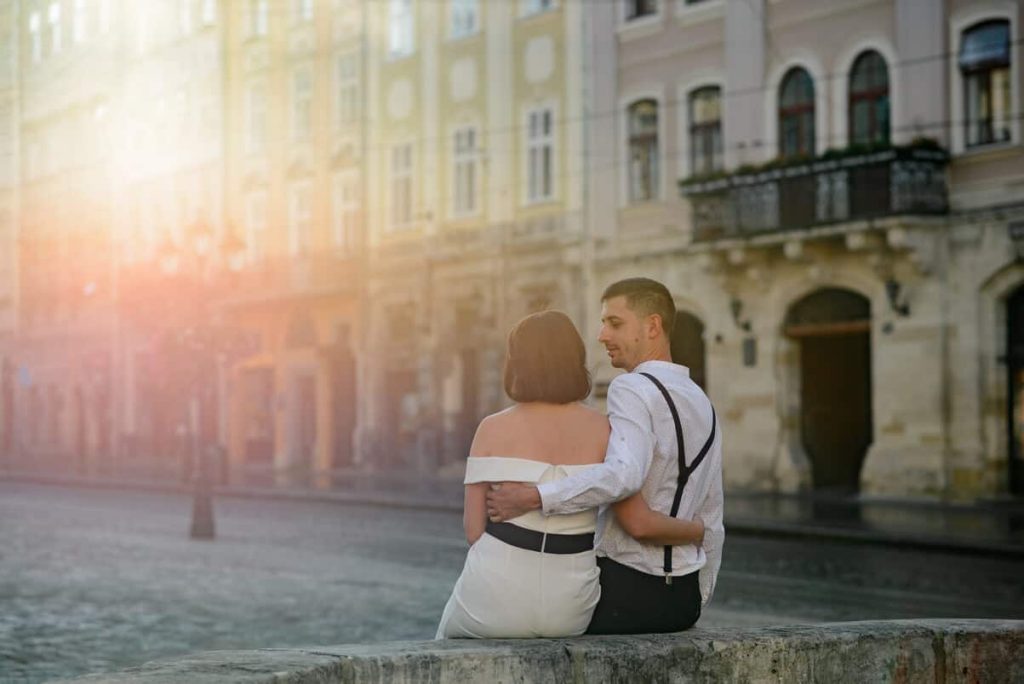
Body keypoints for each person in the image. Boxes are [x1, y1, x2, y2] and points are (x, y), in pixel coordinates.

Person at [436, 310, 704, 639]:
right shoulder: (605, 429)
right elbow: (631, 516)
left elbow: (474, 530)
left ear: (517, 362)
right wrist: (699, 529)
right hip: (571, 603)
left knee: (446, 642)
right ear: (575, 361)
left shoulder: (491, 429)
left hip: (495, 592)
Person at [486, 278, 723, 634]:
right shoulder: (701, 399)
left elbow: (624, 476)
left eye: (615, 323)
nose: (601, 335)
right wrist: (699, 596)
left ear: (653, 326)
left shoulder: (631, 387)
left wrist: (535, 496)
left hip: (626, 591)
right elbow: (712, 513)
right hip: (683, 599)